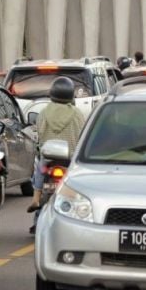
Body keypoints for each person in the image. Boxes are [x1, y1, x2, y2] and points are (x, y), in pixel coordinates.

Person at [27, 77, 86, 220]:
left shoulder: (44, 112)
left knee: (39, 168)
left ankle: (36, 197)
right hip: (70, 159)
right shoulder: (77, 114)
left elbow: (39, 133)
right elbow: (82, 135)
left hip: (49, 159)